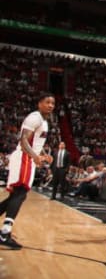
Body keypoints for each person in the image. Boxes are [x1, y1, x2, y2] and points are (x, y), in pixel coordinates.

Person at [0, 92, 55, 249]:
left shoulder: (44, 122)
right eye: (47, 102)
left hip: (29, 158)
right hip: (24, 157)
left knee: (16, 196)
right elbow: (24, 140)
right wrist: (35, 157)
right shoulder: (34, 117)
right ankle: (5, 233)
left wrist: (44, 155)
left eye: (53, 103)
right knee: (20, 193)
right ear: (39, 103)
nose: (50, 105)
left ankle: (4, 232)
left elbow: (36, 143)